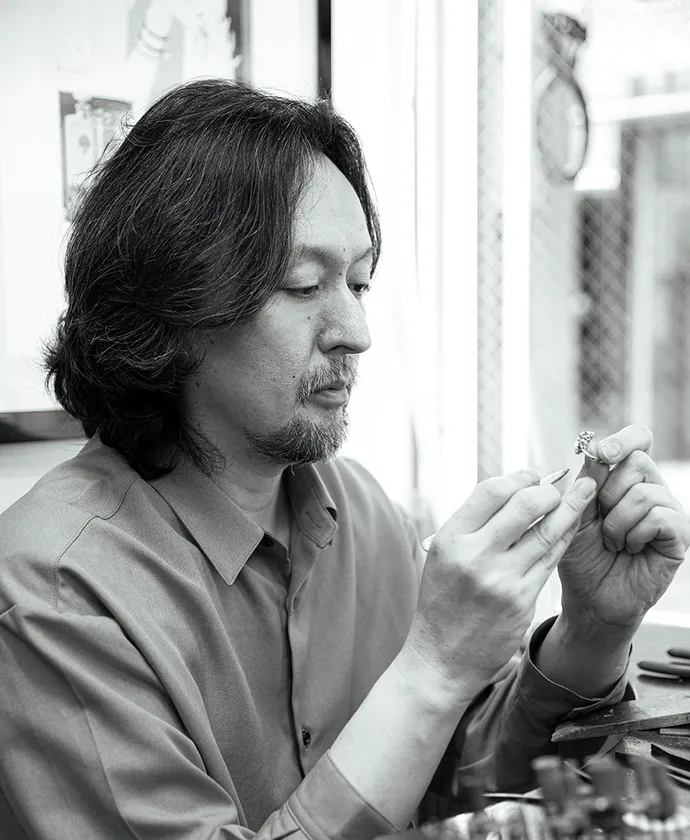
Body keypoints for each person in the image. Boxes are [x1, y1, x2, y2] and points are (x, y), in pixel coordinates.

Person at [0, 79, 687, 840]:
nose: (356, 331)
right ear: (172, 306)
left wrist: (592, 632)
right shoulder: (55, 593)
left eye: (358, 282)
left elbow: (454, 774)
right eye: (304, 285)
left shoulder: (356, 509)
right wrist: (431, 667)